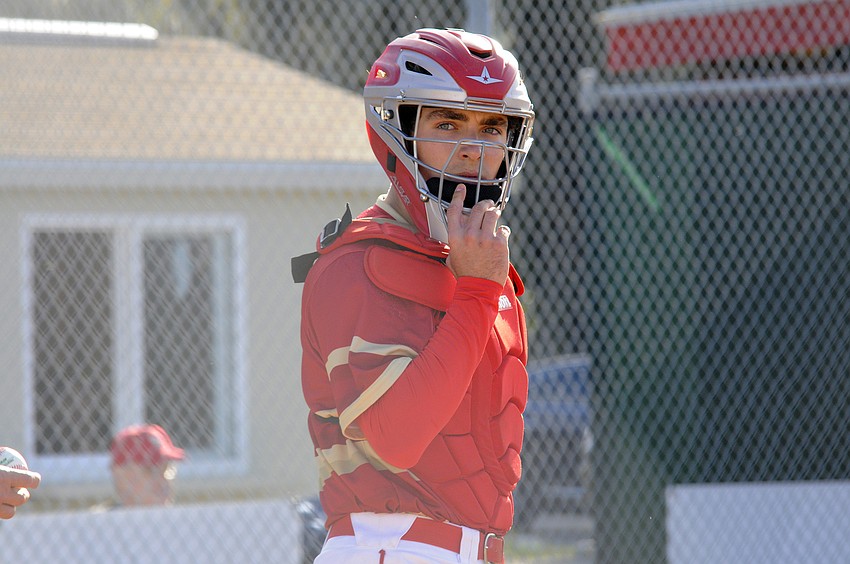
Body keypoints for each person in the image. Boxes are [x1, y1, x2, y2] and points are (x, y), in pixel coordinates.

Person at [295, 27, 535, 563]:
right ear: (396, 130)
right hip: (389, 546)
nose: (474, 149)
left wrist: (478, 284)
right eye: (447, 123)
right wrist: (476, 291)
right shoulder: (356, 264)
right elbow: (396, 437)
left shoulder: (480, 268)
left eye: (492, 127)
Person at [107, 424, 185, 507]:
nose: (163, 481)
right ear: (121, 476)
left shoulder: (182, 515)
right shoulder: (101, 515)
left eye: (167, 470)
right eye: (150, 471)